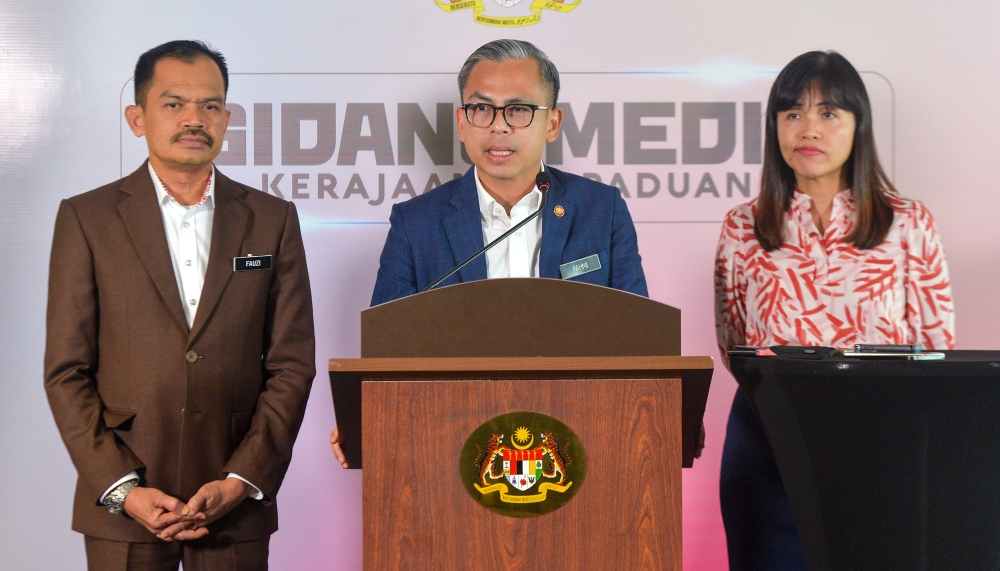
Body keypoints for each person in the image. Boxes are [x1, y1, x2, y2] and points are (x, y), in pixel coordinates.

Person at [44, 40, 316, 571]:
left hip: (234, 504)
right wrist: (123, 489)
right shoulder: (87, 218)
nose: (194, 119)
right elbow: (66, 372)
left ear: (226, 119)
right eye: (174, 104)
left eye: (210, 105)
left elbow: (292, 364)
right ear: (137, 118)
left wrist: (242, 479)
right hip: (124, 505)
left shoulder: (272, 219)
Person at [330, 39, 647, 466]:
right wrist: (366, 415)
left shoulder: (601, 211)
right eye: (482, 109)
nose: (498, 127)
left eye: (518, 110)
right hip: (451, 445)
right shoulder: (416, 223)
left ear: (552, 123)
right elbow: (385, 352)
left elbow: (641, 342)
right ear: (462, 123)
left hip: (581, 440)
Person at [714, 50, 954, 570]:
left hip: (882, 444)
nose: (809, 128)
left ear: (857, 124)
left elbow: (936, 347)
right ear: (775, 127)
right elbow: (733, 340)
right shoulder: (742, 225)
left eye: (827, 112)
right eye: (793, 113)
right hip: (769, 444)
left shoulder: (908, 223)